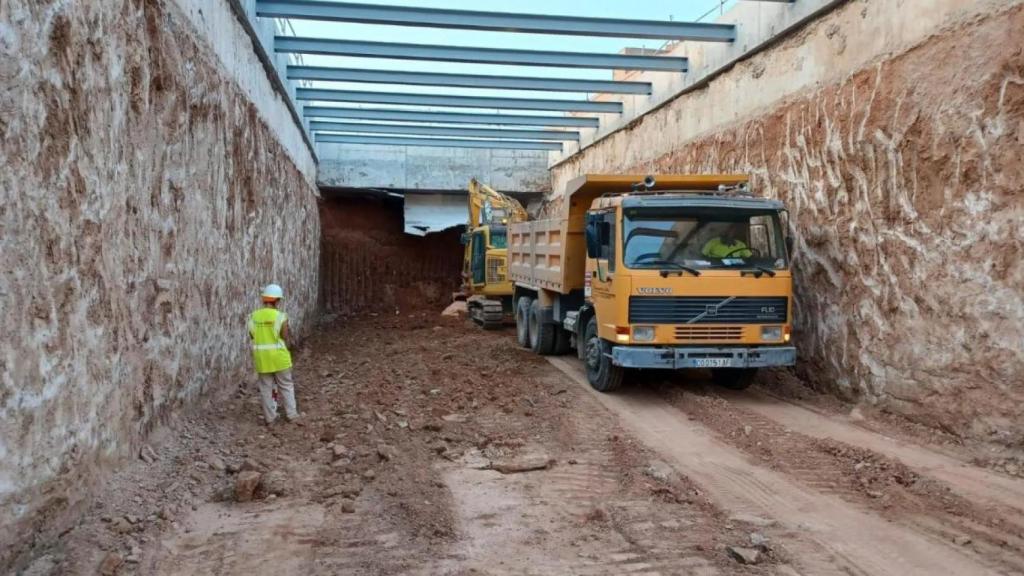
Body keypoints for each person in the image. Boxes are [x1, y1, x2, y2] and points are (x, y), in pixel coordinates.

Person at [249, 283, 299, 425]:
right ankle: (291, 414)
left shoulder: (253, 316)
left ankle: (270, 418)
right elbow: (284, 336)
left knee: (266, 388)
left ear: (264, 299)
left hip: (262, 359)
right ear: (277, 301)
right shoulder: (281, 317)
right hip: (279, 358)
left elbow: (252, 335)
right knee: (286, 385)